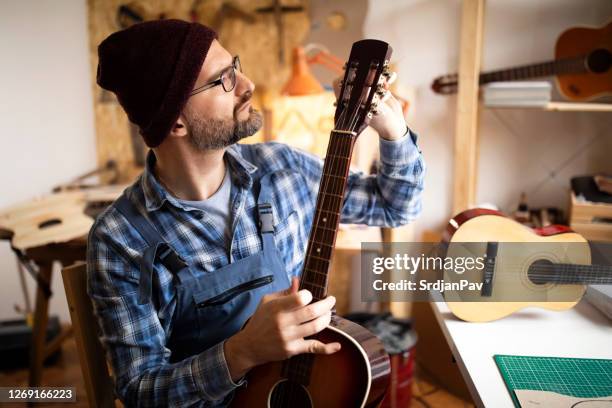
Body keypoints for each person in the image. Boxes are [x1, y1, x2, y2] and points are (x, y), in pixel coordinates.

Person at [89, 19, 425, 407]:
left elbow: (395, 205)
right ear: (175, 121)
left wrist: (394, 130)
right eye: (223, 80)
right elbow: (140, 390)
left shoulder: (282, 169)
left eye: (235, 65)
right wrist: (240, 353)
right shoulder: (120, 240)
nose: (247, 85)